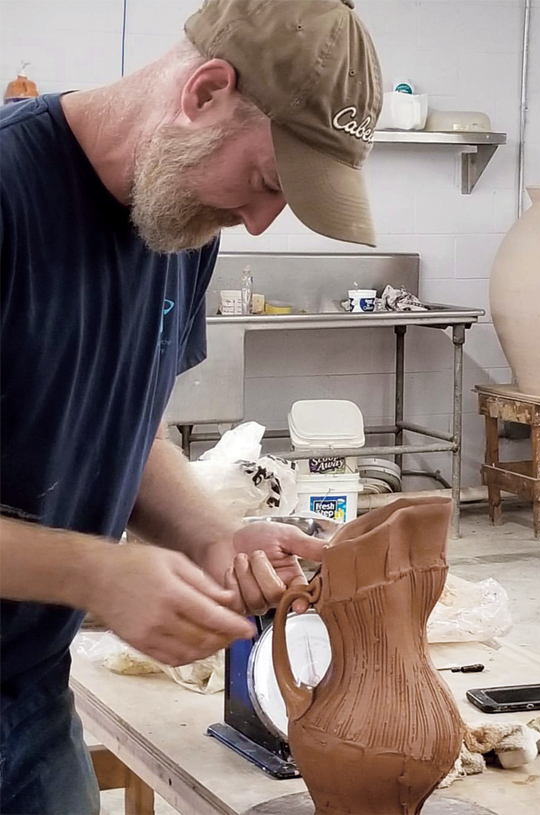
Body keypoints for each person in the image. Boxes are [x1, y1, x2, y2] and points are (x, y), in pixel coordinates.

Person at [0, 0, 382, 812]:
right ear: (204, 92)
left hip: (27, 693)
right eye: (266, 181)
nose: (255, 220)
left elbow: (123, 432)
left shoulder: (178, 229)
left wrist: (213, 536)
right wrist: (98, 573)